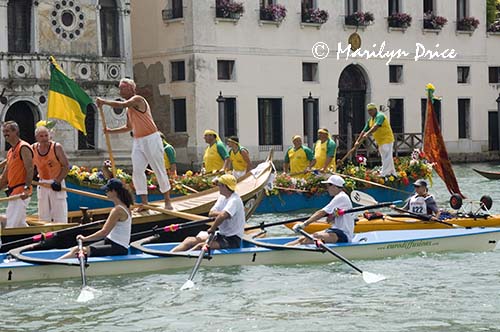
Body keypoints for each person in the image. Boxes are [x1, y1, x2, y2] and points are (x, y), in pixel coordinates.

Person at [96, 78, 173, 210]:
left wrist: (104, 102)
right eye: (120, 88)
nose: (120, 91)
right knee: (137, 171)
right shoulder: (128, 109)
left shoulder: (137, 99)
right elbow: (128, 127)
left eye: (123, 88)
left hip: (151, 138)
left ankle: (167, 201)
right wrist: (110, 131)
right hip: (138, 141)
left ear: (131, 89)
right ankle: (144, 202)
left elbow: (122, 105)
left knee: (158, 169)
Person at [60, 178, 133, 259]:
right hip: (110, 241)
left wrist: (85, 239)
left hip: (119, 247)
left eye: (107, 190)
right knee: (75, 249)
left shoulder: (118, 210)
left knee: (81, 251)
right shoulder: (126, 206)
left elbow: (104, 232)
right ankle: (56, 263)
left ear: (114, 191)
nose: (106, 192)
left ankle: (54, 266)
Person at [171, 174, 245, 252]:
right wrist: (223, 214)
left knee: (200, 246)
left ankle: (181, 259)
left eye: (219, 185)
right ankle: (169, 255)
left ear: (224, 186)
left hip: (232, 240)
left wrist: (213, 228)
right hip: (221, 235)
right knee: (189, 240)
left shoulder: (234, 200)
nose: (218, 187)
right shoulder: (222, 197)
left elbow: (222, 216)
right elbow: (211, 213)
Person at [286, 175, 354, 246]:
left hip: (343, 234)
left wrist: (304, 224)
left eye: (328, 186)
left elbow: (321, 212)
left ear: (334, 186)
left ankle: (288, 252)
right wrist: (333, 216)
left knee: (312, 238)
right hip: (334, 231)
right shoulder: (339, 197)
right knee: (303, 238)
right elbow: (328, 220)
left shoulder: (341, 197)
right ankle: (282, 250)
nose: (327, 189)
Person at [32, 125, 70, 223]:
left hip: (56, 181)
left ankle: (61, 231)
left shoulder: (56, 147)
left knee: (59, 212)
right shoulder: (33, 148)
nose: (44, 138)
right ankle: (45, 233)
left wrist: (57, 181)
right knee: (43, 214)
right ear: (36, 137)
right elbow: (29, 167)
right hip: (42, 183)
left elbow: (66, 166)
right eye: (41, 136)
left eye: (46, 135)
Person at [0, 121, 33, 228]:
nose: (5, 134)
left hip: (21, 192)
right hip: (13, 192)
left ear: (16, 131)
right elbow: (4, 177)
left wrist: (27, 188)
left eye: (8, 131)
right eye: (4, 131)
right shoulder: (10, 151)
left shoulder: (23, 147)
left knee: (12, 225)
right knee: (17, 223)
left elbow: (30, 168)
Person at [354, 103, 396, 176]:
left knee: (387, 156)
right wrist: (357, 141)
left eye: (371, 110)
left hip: (387, 139)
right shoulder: (370, 120)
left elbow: (376, 126)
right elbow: (363, 131)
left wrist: (367, 134)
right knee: (384, 156)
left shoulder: (380, 116)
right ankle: (392, 173)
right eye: (368, 111)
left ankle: (385, 173)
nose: (370, 112)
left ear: (375, 110)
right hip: (380, 141)